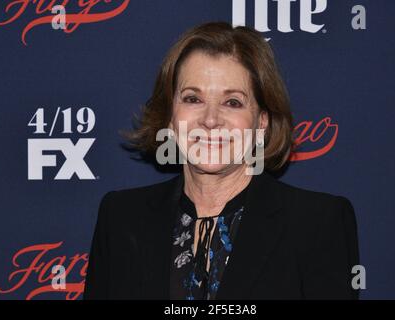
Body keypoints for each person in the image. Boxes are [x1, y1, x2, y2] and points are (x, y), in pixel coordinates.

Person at [84, 21, 359, 300]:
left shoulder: (317, 223)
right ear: (170, 115)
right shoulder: (120, 218)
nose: (211, 119)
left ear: (261, 121)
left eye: (233, 102)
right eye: (193, 99)